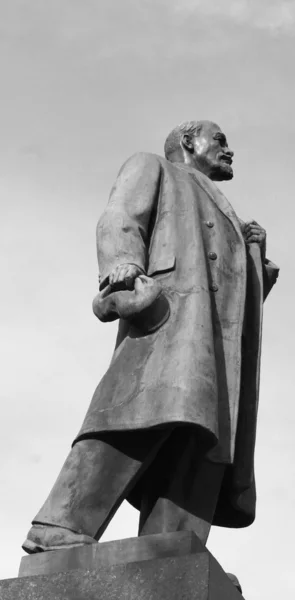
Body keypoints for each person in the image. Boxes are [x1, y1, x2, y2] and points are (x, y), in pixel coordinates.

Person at [23, 120, 279, 556]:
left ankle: (172, 547)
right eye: (219, 140)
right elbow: (120, 215)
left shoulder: (233, 215)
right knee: (136, 414)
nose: (228, 149)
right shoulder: (153, 167)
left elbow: (234, 293)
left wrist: (256, 260)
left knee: (202, 441)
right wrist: (122, 265)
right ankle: (60, 524)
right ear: (187, 141)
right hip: (171, 318)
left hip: (217, 348)